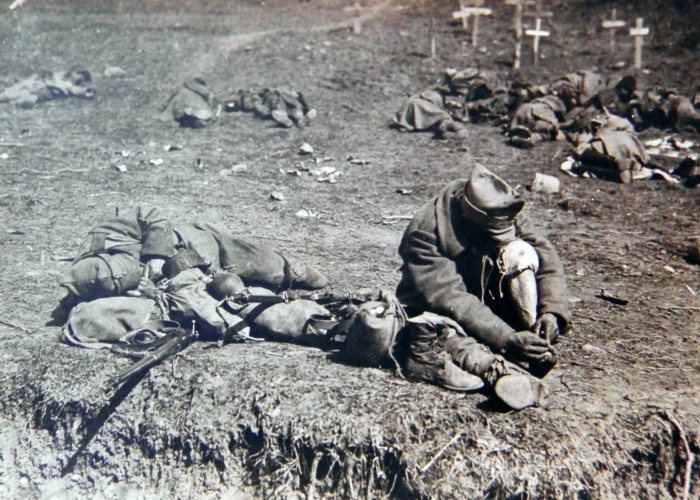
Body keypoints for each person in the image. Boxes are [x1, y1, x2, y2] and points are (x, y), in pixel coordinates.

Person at [395, 165, 571, 409]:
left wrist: (552, 311)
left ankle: (533, 340)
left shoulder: (499, 204)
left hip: (484, 293)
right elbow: (452, 298)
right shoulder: (426, 231)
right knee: (447, 336)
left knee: (521, 252)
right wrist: (505, 337)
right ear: (469, 218)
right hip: (436, 305)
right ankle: (504, 371)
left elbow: (546, 259)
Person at [52, 206, 328, 333]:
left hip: (200, 243)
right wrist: (144, 294)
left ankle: (293, 271)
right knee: (237, 299)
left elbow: (152, 215)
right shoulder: (91, 287)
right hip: (191, 278)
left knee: (267, 267)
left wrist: (155, 255)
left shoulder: (107, 231)